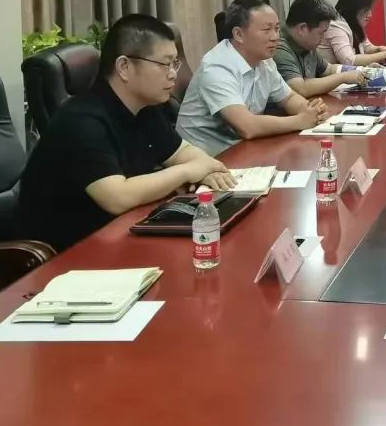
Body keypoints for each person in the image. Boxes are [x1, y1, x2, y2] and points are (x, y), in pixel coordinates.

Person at [17, 15, 237, 251]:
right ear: (124, 67)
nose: (173, 73)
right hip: (67, 253)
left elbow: (183, 152)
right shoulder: (80, 121)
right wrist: (187, 172)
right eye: (165, 64)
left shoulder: (145, 107)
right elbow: (117, 197)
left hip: (123, 232)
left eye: (175, 64)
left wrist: (207, 171)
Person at [178, 0, 323, 155]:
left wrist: (309, 111)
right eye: (266, 30)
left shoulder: (264, 61)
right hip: (207, 157)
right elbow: (247, 127)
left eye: (277, 29)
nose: (275, 37)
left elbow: (288, 98)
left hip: (243, 148)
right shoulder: (216, 67)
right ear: (239, 35)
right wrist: (300, 121)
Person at [275, 0, 371, 97]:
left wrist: (361, 71)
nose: (323, 37)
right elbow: (300, 89)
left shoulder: (306, 45)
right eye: (321, 33)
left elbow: (328, 69)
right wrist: (343, 77)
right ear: (303, 29)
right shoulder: (279, 48)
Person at [319, 0, 386, 66]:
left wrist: (379, 49)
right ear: (353, 9)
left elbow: (366, 47)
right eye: (366, 10)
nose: (370, 15)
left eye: (370, 9)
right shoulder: (336, 27)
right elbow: (349, 60)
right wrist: (384, 54)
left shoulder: (353, 23)